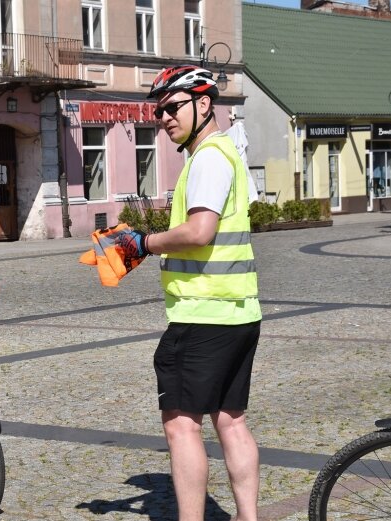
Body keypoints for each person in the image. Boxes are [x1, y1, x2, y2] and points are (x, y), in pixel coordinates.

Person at [122, 65, 262, 521]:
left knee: (182, 426)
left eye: (173, 106)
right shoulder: (223, 155)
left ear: (204, 104)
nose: (164, 117)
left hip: (203, 315)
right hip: (239, 311)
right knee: (231, 420)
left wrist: (144, 243)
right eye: (159, 109)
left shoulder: (207, 158)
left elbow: (200, 231)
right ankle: (248, 516)